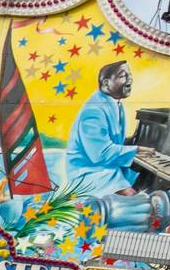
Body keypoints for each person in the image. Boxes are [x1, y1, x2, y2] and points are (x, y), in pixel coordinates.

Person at [60, 61, 141, 198]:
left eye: (130, 75)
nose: (129, 79)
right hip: (88, 170)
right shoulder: (94, 110)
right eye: (123, 76)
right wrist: (137, 150)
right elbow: (100, 153)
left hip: (103, 166)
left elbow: (111, 139)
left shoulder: (115, 103)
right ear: (106, 83)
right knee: (131, 196)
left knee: (142, 181)